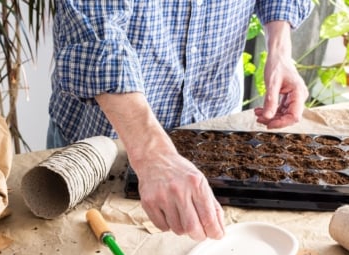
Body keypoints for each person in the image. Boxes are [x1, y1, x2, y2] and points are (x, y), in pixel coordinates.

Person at [47, 1, 313, 241]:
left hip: (212, 125)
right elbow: (95, 28)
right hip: (105, 143)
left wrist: (280, 51)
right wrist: (154, 154)